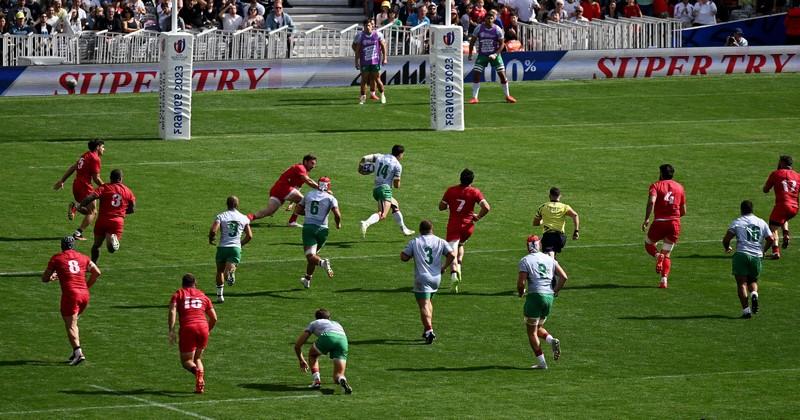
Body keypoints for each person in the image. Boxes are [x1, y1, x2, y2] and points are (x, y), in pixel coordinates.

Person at [42, 236, 102, 366]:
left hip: (70, 295)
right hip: (84, 295)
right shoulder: (83, 257)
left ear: (62, 246)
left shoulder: (57, 258)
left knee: (70, 325)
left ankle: (78, 352)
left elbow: (44, 278)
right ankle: (75, 351)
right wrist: (86, 286)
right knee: (74, 323)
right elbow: (97, 272)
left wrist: (52, 277)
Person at [400, 220, 455, 344]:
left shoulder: (415, 241)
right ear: (432, 229)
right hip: (436, 278)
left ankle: (429, 330)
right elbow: (451, 255)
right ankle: (426, 329)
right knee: (429, 302)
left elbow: (404, 257)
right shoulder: (440, 241)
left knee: (423, 305)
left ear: (420, 230)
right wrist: (444, 267)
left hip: (422, 278)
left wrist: (408, 255)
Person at [518, 235, 568, 369]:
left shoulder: (525, 260)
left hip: (535, 296)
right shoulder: (549, 259)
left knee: (531, 332)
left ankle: (542, 363)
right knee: (538, 327)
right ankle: (551, 340)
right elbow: (563, 277)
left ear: (527, 247)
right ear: (539, 245)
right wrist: (555, 291)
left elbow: (521, 282)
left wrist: (521, 292)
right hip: (548, 298)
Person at [439, 169, 491, 292]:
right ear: (472, 180)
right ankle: (460, 266)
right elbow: (486, 207)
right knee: (461, 244)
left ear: (460, 178)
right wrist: (477, 217)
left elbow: (441, 207)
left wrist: (449, 204)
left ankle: (453, 275)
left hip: (453, 226)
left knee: (452, 252)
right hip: (468, 227)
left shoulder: (451, 190)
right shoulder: (475, 192)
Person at [722, 201, 774, 319]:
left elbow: (726, 239)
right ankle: (754, 294)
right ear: (752, 209)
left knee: (742, 283)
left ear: (741, 210)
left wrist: (727, 247)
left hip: (741, 254)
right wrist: (764, 250)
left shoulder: (737, 222)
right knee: (753, 281)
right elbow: (770, 239)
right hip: (756, 255)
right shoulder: (761, 222)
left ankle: (746, 311)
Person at [168, 273, 217, 394]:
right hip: (203, 326)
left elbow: (173, 310)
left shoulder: (178, 294)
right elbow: (214, 318)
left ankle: (197, 372)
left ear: (183, 284)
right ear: (195, 283)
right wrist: (207, 330)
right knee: (198, 358)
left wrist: (171, 329)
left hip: (188, 328)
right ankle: (199, 386)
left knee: (186, 361)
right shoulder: (203, 296)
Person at [641, 164, 686, 289]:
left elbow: (651, 201)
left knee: (649, 243)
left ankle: (657, 256)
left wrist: (646, 219)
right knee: (667, 253)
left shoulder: (656, 186)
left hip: (659, 222)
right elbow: (683, 211)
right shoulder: (680, 187)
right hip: (675, 224)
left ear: (661, 174)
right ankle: (663, 280)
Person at [78, 169, 136, 263]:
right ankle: (113, 241)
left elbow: (91, 197)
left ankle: (94, 265)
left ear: (110, 178)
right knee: (111, 250)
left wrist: (80, 205)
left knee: (96, 246)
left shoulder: (105, 187)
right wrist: (121, 212)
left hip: (102, 220)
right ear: (121, 178)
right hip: (117, 221)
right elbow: (132, 209)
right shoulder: (128, 191)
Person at [53, 139, 105, 241]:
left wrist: (62, 180)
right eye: (103, 147)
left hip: (76, 185)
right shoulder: (95, 159)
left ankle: (75, 207)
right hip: (85, 187)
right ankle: (78, 233)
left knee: (88, 212)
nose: (104, 149)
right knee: (93, 212)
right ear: (98, 147)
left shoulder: (85, 155)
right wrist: (107, 187)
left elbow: (73, 167)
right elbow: (96, 178)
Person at [248, 154, 320, 226]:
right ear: (305, 161)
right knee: (304, 201)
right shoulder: (300, 167)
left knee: (269, 211)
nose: (313, 166)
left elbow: (297, 189)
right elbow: (309, 181)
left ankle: (247, 218)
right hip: (284, 188)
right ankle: (293, 221)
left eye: (314, 164)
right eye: (312, 163)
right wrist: (321, 188)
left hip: (277, 190)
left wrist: (291, 204)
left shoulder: (302, 171)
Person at [360, 145, 415, 238]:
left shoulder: (380, 156)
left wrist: (360, 166)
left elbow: (365, 158)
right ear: (400, 154)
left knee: (395, 205)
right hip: (385, 190)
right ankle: (366, 223)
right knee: (382, 214)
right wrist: (396, 182)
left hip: (377, 189)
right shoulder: (397, 165)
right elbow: (397, 185)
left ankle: (404, 229)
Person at [293, 308, 353, 394]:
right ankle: (342, 379)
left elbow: (298, 345)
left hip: (328, 336)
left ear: (316, 318)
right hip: (343, 340)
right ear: (329, 318)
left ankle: (316, 380)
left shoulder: (314, 323)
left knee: (313, 355)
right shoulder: (337, 323)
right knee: (337, 376)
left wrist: (301, 360)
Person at [296, 177, 341, 288]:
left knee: (310, 255)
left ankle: (322, 263)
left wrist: (309, 214)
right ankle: (307, 278)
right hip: (323, 230)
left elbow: (297, 210)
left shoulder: (309, 194)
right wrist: (338, 224)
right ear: (328, 186)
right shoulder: (331, 198)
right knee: (313, 255)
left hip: (309, 228)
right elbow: (337, 214)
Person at [209, 196, 253, 303]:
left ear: (227, 204)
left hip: (223, 247)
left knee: (220, 271)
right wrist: (240, 244)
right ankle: (231, 271)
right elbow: (249, 236)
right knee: (231, 265)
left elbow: (214, 230)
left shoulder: (221, 216)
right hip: (235, 248)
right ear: (237, 205)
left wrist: (211, 238)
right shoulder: (243, 217)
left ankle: (220, 296)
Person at [468, 11, 516, 104]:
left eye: (491, 18)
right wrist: (470, 53)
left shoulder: (497, 29)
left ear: (494, 19)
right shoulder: (479, 28)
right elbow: (472, 41)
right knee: (476, 74)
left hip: (495, 55)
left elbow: (502, 44)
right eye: (488, 18)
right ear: (484, 19)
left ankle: (507, 96)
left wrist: (495, 54)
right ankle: (474, 98)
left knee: (502, 75)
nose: (489, 20)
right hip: (482, 55)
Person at [762, 155, 800, 259]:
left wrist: (769, 187)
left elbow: (765, 189)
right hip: (795, 208)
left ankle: (775, 252)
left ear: (782, 163)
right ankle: (786, 233)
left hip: (782, 205)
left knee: (773, 229)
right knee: (783, 218)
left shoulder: (776, 173)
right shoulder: (798, 176)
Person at [533, 187, 580, 258]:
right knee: (552, 256)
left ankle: (552, 262)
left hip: (548, 237)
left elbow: (535, 223)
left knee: (549, 257)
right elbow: (575, 215)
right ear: (560, 196)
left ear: (549, 196)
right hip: (561, 238)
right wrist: (576, 231)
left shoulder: (543, 207)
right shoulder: (564, 207)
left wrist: (542, 221)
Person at [353, 18, 388, 105]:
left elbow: (383, 46)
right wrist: (356, 61)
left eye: (369, 25)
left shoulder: (377, 34)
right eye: (366, 26)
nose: (367, 27)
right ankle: (363, 97)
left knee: (377, 79)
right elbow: (357, 50)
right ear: (363, 27)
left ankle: (382, 94)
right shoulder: (360, 36)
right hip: (365, 61)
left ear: (372, 26)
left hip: (375, 61)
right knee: (364, 80)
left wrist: (385, 58)